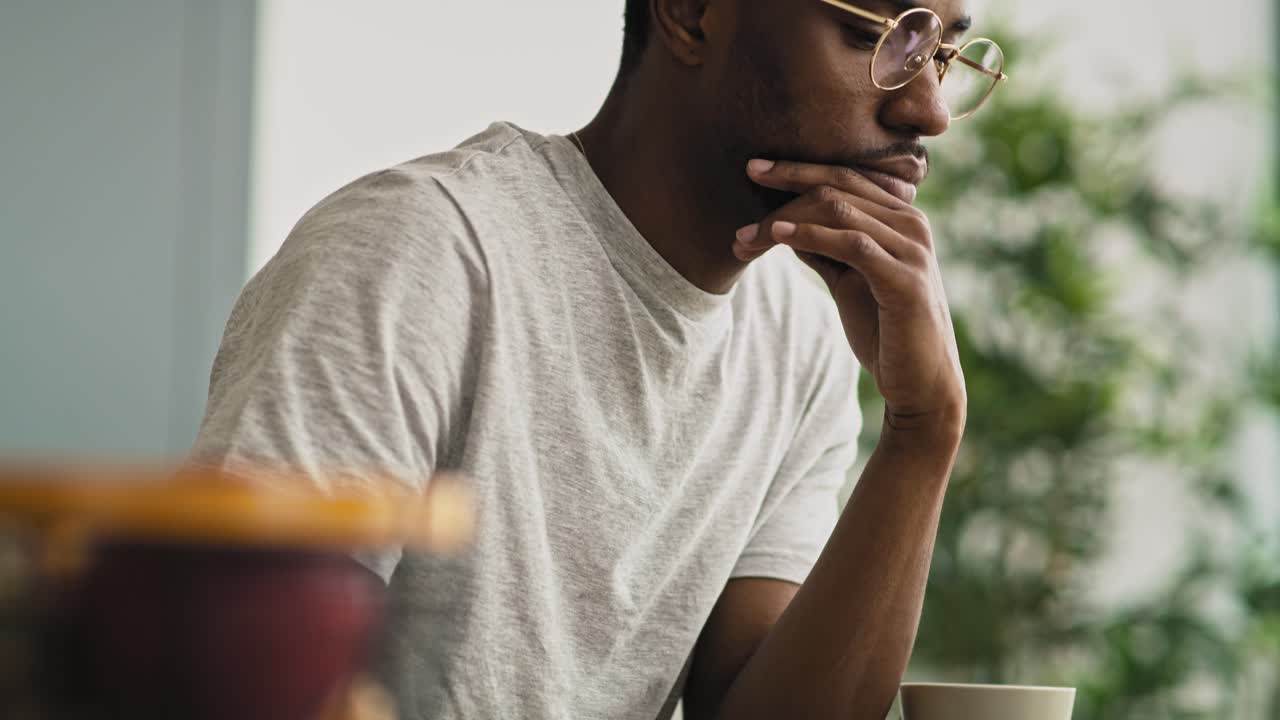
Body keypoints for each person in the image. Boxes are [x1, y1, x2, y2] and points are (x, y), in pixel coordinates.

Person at [192, 0, 1003, 717]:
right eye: (880, 33)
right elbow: (234, 675)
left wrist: (923, 429)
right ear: (689, 13)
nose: (929, 110)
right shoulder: (416, 256)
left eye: (941, 54)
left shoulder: (802, 343)